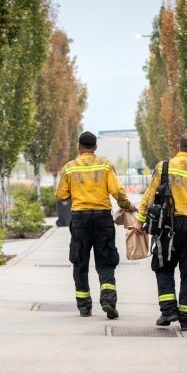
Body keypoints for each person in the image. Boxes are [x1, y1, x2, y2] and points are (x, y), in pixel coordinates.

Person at [134, 133, 187, 331]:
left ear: (178, 147)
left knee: (163, 266)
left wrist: (139, 221)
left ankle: (168, 310)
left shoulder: (164, 167)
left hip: (166, 226)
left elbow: (148, 196)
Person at [56, 131, 134, 319]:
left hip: (80, 219)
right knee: (106, 261)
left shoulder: (70, 168)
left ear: (79, 147)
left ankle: (84, 305)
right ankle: (108, 299)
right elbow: (117, 191)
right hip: (102, 219)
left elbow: (61, 195)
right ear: (95, 148)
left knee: (79, 261)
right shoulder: (105, 165)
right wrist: (127, 206)